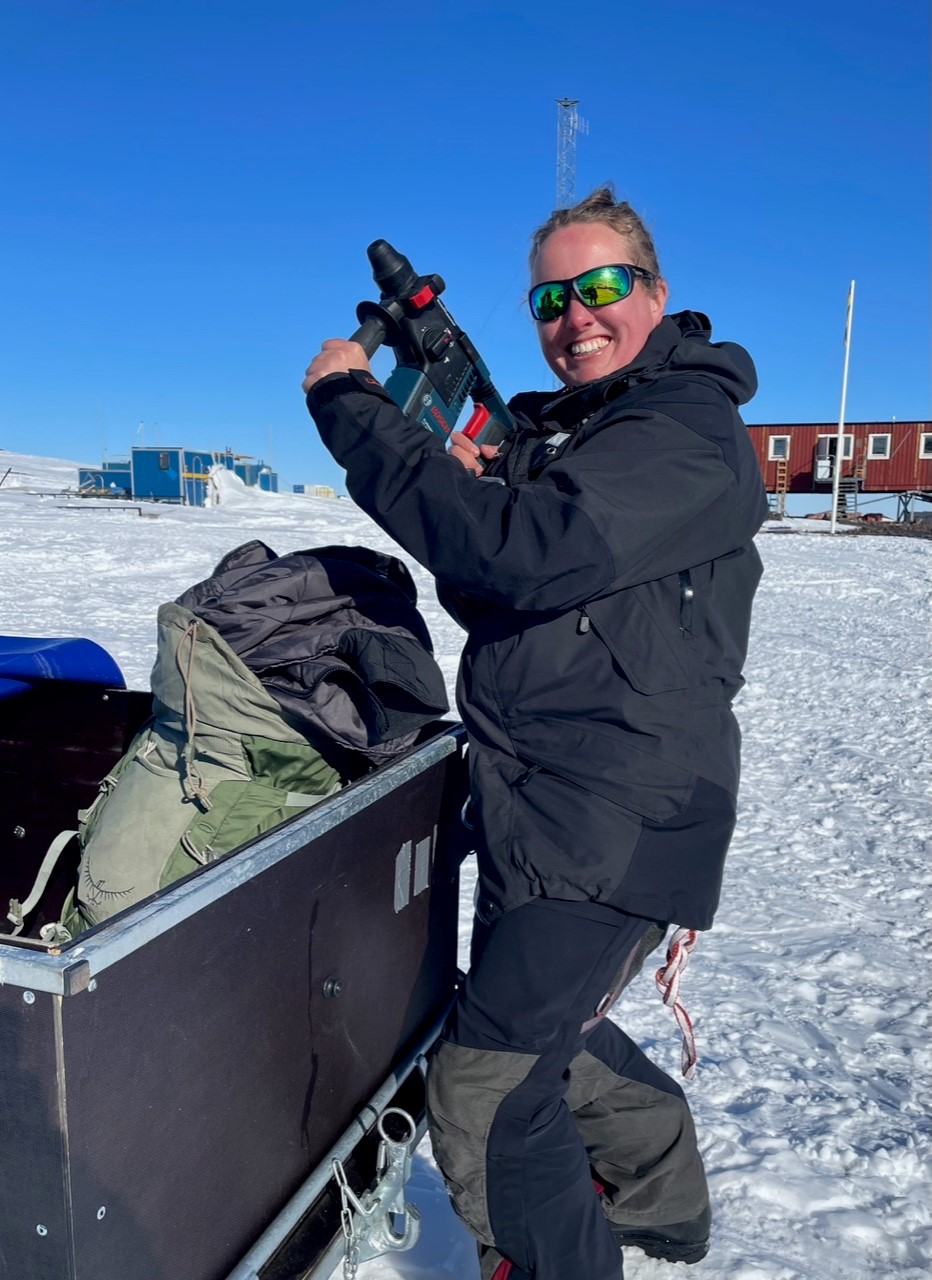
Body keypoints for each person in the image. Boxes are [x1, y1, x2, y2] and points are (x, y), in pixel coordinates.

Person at [302, 186, 768, 1280]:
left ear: (655, 294)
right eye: (550, 298)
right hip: (541, 802)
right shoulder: (595, 436)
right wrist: (463, 437)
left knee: (488, 1086)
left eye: (601, 285)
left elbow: (525, 552)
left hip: (613, 822)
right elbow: (511, 592)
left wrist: (358, 416)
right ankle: (659, 1198)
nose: (575, 314)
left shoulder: (681, 431)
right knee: (518, 1028)